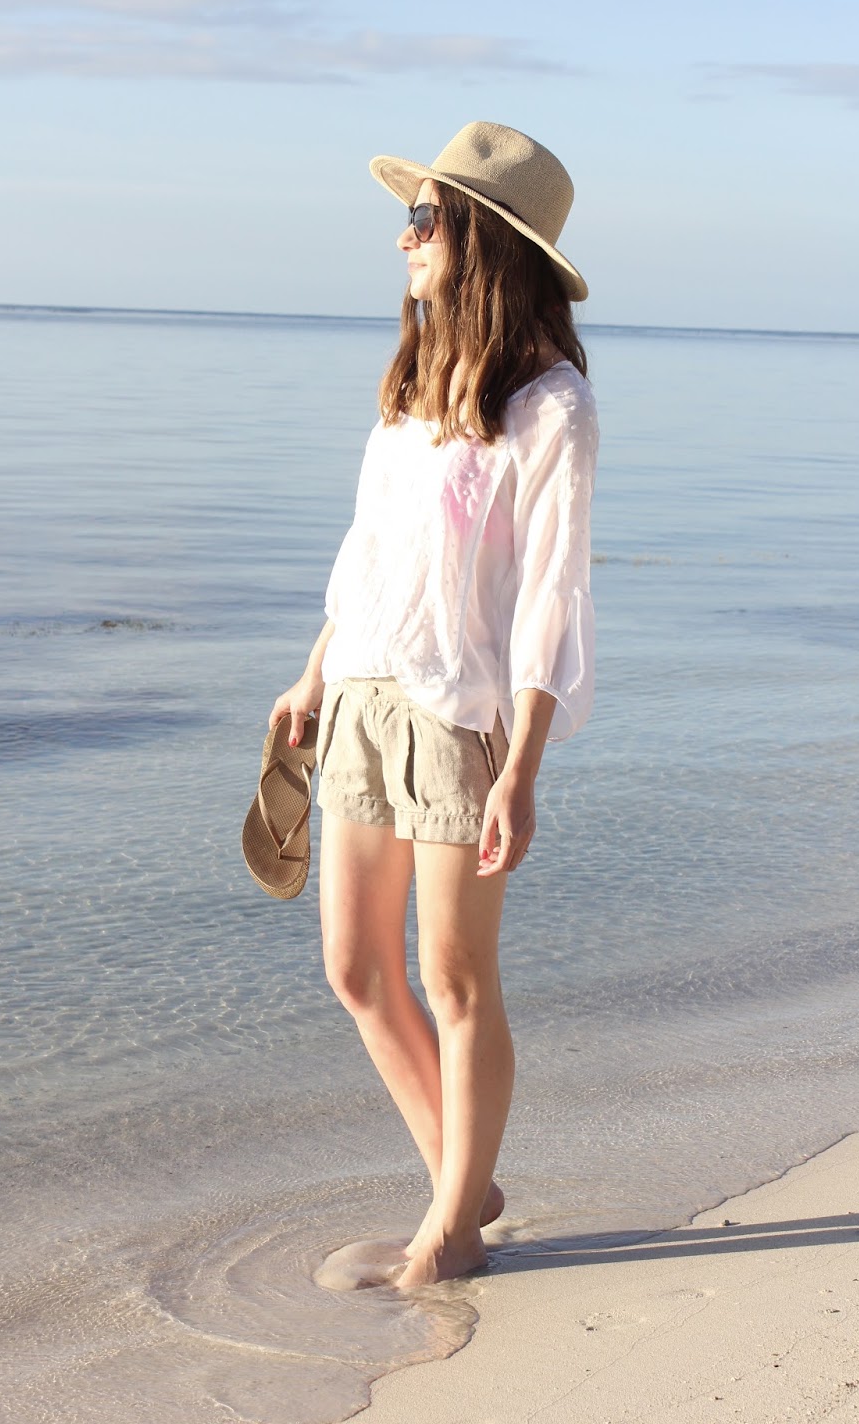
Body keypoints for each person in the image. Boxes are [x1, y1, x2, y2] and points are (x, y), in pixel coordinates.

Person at [269, 121, 599, 1287]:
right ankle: (467, 1179)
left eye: (423, 218)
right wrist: (314, 669)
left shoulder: (549, 405)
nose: (403, 237)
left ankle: (450, 1233)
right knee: (356, 968)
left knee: (457, 977)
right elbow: (372, 552)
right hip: (363, 685)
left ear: (482, 243)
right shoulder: (411, 385)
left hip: (464, 716)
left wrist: (524, 763)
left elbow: (552, 592)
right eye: (407, 217)